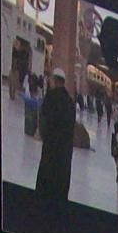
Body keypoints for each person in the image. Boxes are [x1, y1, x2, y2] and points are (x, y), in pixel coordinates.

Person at [35, 71, 76, 202]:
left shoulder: (51, 97)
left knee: (46, 178)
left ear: (55, 80)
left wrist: (43, 134)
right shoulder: (70, 102)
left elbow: (43, 119)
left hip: (51, 146)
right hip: (64, 151)